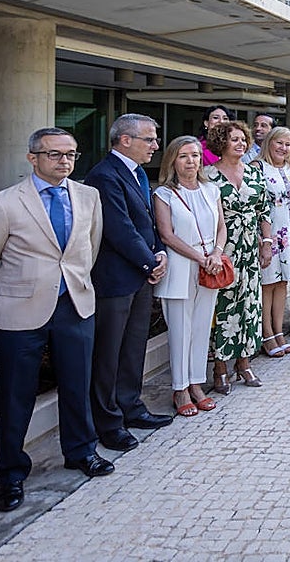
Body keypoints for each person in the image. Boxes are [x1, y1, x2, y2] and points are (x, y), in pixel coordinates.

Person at [0, 128, 113, 512]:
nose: (64, 161)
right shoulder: (3, 204)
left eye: (71, 154)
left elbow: (89, 248)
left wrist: (74, 284)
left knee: (77, 385)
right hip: (20, 314)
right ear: (33, 158)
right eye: (54, 154)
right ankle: (10, 474)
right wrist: (6, 299)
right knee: (16, 396)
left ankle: (81, 451)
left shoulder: (88, 196)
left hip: (74, 307)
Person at [85, 113, 171, 454]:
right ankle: (108, 424)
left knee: (133, 349)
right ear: (125, 140)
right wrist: (150, 262)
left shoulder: (138, 173)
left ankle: (131, 407)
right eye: (149, 139)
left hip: (140, 275)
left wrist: (159, 253)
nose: (155, 145)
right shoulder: (104, 176)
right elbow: (119, 228)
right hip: (115, 279)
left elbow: (147, 222)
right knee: (108, 354)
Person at [152, 136, 226, 417]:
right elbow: (166, 235)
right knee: (180, 330)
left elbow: (221, 227)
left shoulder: (211, 190)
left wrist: (217, 254)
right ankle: (180, 388)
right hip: (181, 265)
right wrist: (200, 258)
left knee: (201, 328)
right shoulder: (164, 194)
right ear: (173, 161)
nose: (190, 161)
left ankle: (196, 383)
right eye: (183, 156)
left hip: (210, 265)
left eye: (195, 155)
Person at [205, 121, 270, 392]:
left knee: (249, 305)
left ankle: (244, 363)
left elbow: (264, 210)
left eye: (243, 139)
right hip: (223, 250)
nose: (241, 144)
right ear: (222, 143)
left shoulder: (254, 172)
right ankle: (220, 368)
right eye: (234, 139)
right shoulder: (208, 175)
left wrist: (267, 242)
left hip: (250, 249)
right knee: (223, 307)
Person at [256, 126, 290, 355]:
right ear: (269, 143)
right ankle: (266, 334)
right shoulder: (257, 167)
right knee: (268, 282)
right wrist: (262, 238)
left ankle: (278, 331)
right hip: (270, 231)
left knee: (283, 281)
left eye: (287, 144)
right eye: (279, 143)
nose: (283, 148)